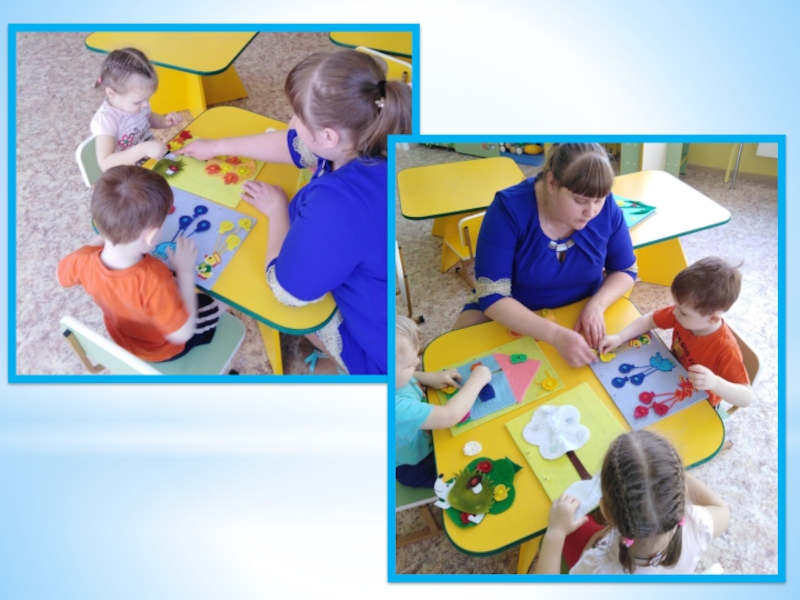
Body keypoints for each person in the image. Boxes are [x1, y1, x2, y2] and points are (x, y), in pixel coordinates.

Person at [177, 50, 412, 375]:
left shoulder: (338, 204)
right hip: (378, 297)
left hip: (376, 358)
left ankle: (337, 366)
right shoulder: (369, 135)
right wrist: (217, 146)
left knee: (286, 308)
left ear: (328, 137)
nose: (291, 123)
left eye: (297, 117)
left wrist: (277, 211)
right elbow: (295, 147)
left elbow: (287, 291)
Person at [454, 143, 637, 368]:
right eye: (580, 200)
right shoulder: (508, 209)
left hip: (580, 309)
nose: (591, 212)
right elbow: (492, 296)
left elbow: (625, 270)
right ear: (551, 183)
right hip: (512, 315)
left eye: (599, 200)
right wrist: (555, 334)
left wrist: (597, 306)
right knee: (454, 365)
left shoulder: (606, 207)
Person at [58, 166, 220, 362]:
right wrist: (185, 272)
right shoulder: (154, 280)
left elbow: (61, 276)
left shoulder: (82, 260)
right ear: (151, 236)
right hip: (161, 350)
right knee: (212, 303)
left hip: (123, 336)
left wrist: (110, 232)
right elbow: (182, 334)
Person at [535, 430, 730, 574]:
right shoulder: (696, 525)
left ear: (605, 511)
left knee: (568, 526)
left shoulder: (597, 568)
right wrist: (670, 473)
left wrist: (556, 533)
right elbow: (722, 511)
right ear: (682, 492)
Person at [599, 257, 752, 408]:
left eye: (683, 312)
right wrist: (620, 337)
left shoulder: (726, 348)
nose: (674, 312)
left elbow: (746, 398)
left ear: (713, 319)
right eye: (676, 306)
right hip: (671, 377)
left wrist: (715, 383)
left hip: (700, 404)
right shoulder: (683, 316)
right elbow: (650, 320)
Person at [395, 316, 491, 488]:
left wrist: (425, 377)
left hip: (425, 439)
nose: (417, 362)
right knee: (472, 478)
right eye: (409, 365)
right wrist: (478, 379)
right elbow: (449, 415)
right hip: (418, 465)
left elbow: (399, 376)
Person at [91, 48, 182, 171]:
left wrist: (164, 121)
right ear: (112, 93)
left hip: (149, 163)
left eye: (147, 99)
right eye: (138, 102)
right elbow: (105, 163)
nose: (145, 105)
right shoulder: (106, 120)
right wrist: (143, 149)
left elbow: (148, 117)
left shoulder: (137, 103)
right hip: (127, 175)